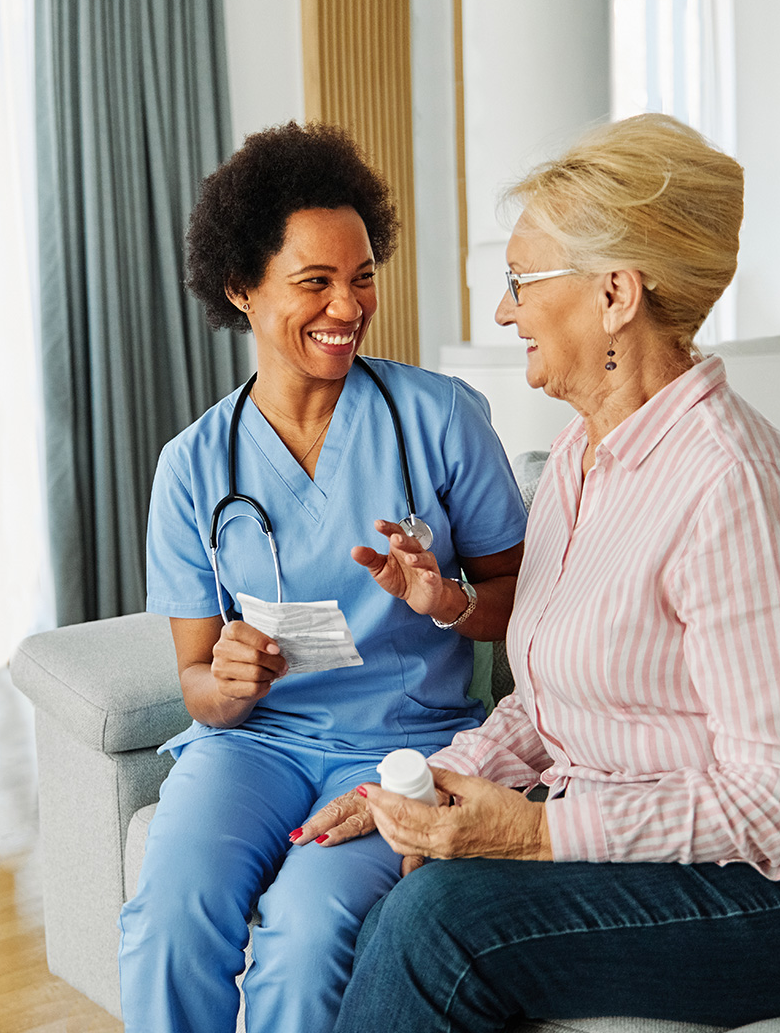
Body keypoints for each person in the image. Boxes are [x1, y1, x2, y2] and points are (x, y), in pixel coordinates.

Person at [322, 113, 780, 1032]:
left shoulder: (731, 485)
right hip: (714, 858)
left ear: (616, 292)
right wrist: (425, 781)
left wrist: (540, 832)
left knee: (441, 927)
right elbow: (553, 703)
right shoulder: (578, 465)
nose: (504, 312)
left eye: (519, 282)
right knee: (400, 897)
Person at [117, 121, 527, 1033]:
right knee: (172, 914)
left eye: (363, 276)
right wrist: (224, 685)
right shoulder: (191, 467)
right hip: (250, 749)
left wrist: (449, 602)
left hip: (399, 743)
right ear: (241, 288)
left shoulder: (442, 420)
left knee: (308, 933)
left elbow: (527, 607)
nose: (348, 305)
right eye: (315, 282)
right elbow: (198, 688)